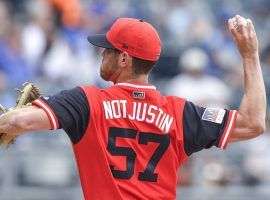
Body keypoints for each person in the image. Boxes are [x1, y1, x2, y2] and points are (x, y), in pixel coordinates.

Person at [0, 16, 266, 199]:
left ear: (124, 58)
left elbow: (18, 123)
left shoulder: (87, 101)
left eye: (108, 49)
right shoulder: (179, 113)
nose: (102, 54)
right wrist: (250, 55)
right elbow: (252, 123)